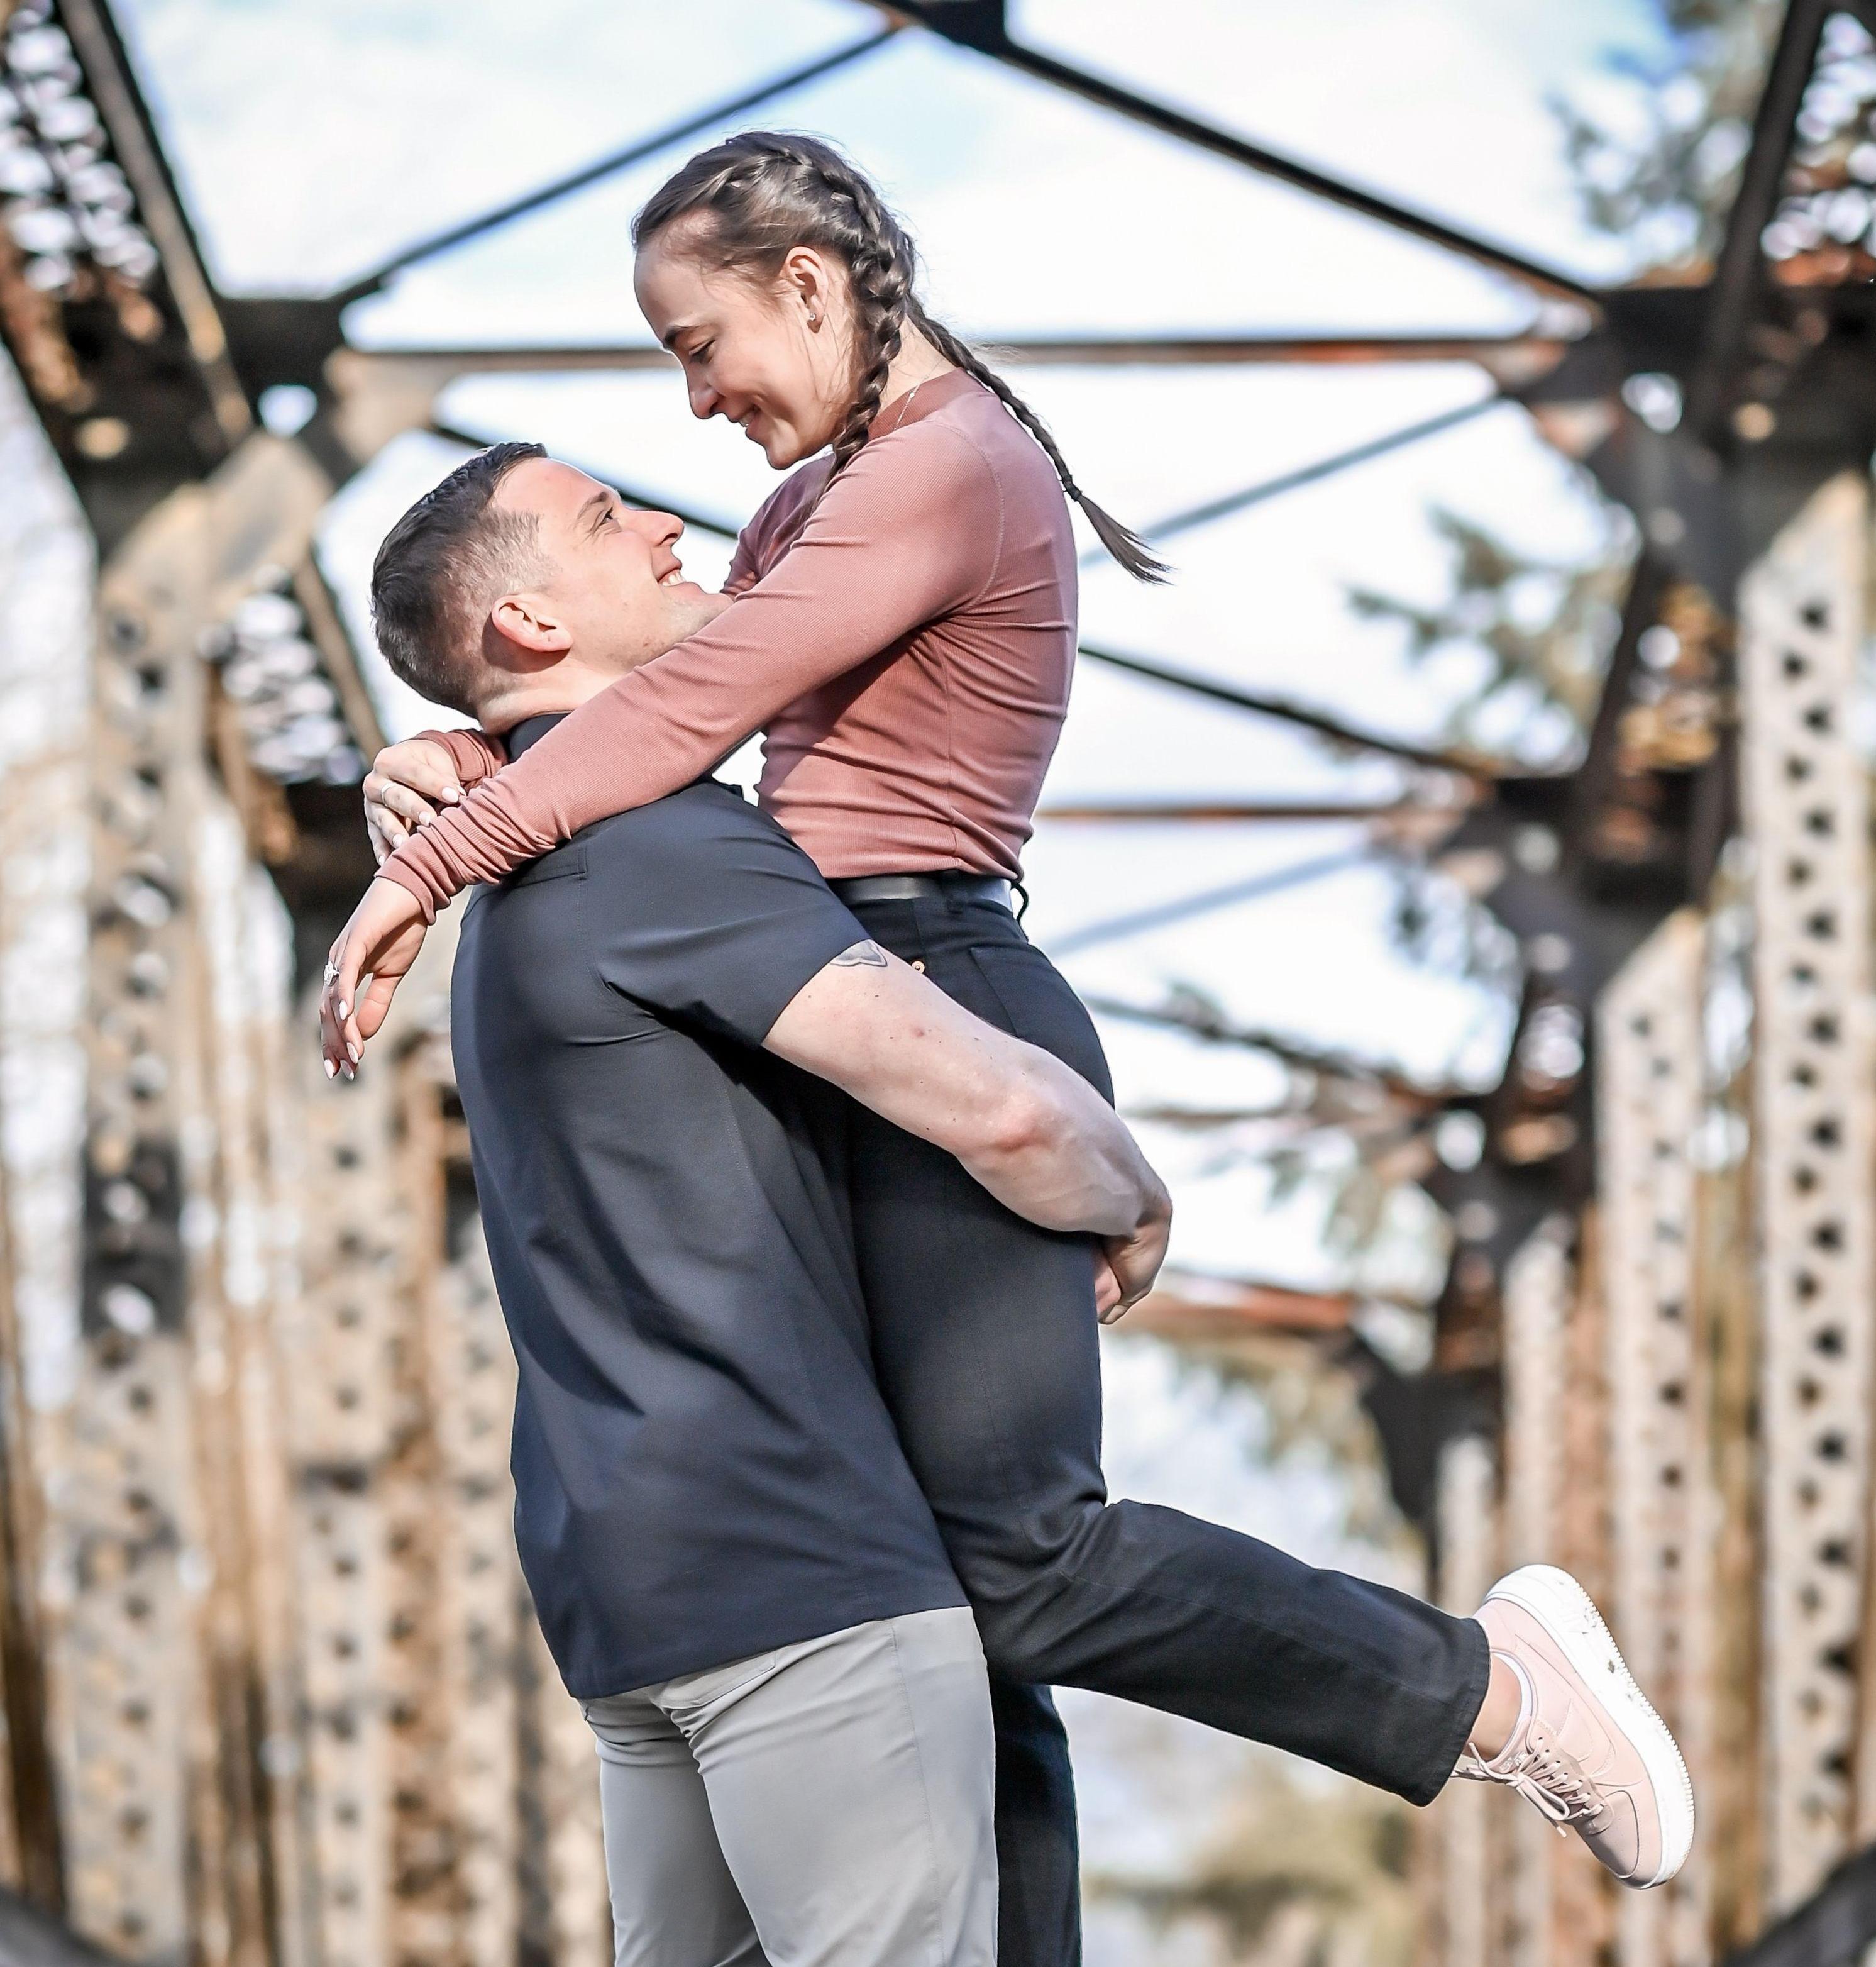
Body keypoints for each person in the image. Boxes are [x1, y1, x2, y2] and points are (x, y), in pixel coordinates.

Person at [326, 135, 1695, 1954]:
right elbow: (626, 707)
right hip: (826, 985)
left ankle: (1489, 1692)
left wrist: (430, 861)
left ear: (806, 289)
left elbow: (689, 707)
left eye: (696, 340)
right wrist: (454, 756)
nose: (697, 397)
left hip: (931, 987)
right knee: (935, 1595)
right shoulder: (810, 509)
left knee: (1023, 1563)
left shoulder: (945, 470)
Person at [378, 441, 1179, 1967]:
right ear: (533, 624)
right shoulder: (664, 846)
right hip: (803, 1579)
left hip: (630, 1599)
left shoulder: (524, 885)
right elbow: (994, 1102)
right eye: (610, 521)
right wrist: (1129, 1192)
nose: (669, 521)